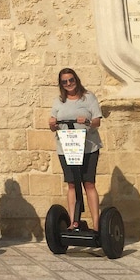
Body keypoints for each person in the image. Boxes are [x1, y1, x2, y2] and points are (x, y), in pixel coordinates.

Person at [48, 68, 104, 231]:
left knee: (89, 183)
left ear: (76, 80)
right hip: (66, 148)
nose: (68, 84)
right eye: (64, 82)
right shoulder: (59, 101)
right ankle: (74, 222)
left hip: (88, 147)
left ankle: (96, 224)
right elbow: (53, 125)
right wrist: (52, 124)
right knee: (72, 184)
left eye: (71, 80)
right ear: (61, 84)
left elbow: (97, 121)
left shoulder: (88, 97)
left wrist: (87, 121)